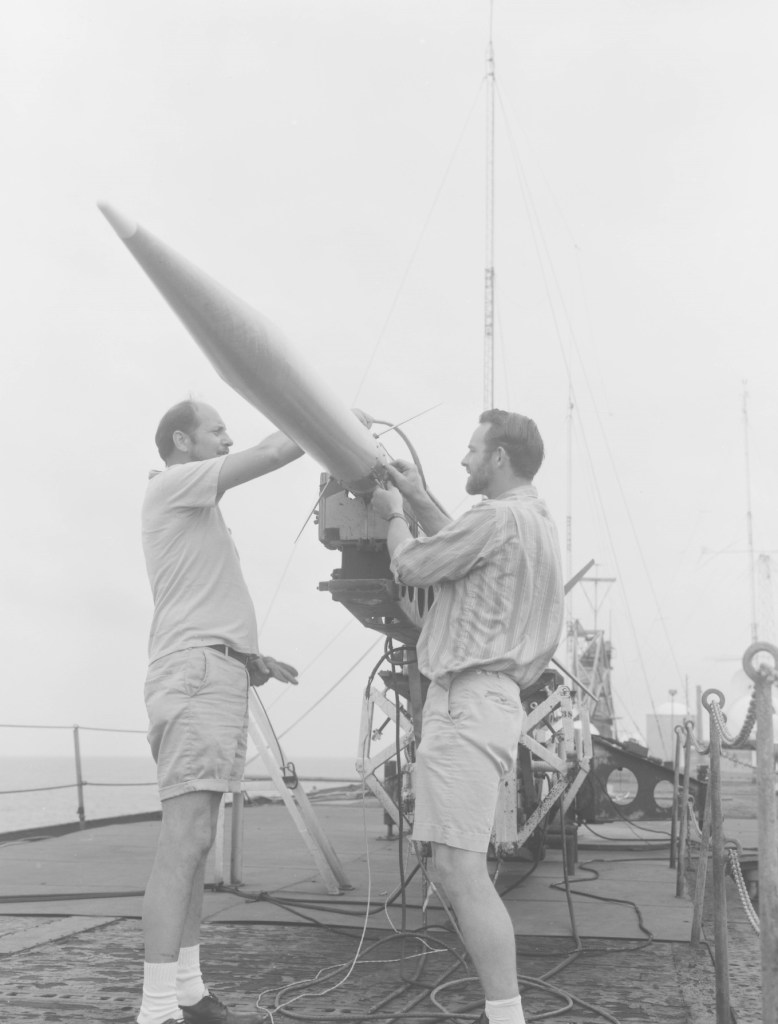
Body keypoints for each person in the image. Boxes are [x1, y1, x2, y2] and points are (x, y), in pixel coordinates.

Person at [370, 408, 564, 1024]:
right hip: (491, 699)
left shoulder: (496, 517)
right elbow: (460, 543)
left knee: (459, 869)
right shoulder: (531, 519)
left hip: (466, 700)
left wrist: (394, 516)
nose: (464, 460)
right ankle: (503, 1013)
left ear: (499, 458)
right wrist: (419, 496)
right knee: (460, 865)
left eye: (473, 450)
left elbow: (415, 565)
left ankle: (506, 1016)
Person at [138, 399, 303, 1024]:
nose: (227, 439)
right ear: (182, 441)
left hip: (217, 670)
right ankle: (156, 1010)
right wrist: (334, 420)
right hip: (196, 676)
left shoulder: (194, 507)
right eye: (216, 431)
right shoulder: (175, 484)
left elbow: (201, 596)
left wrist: (250, 658)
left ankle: (187, 990)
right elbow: (272, 452)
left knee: (196, 841)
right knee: (183, 842)